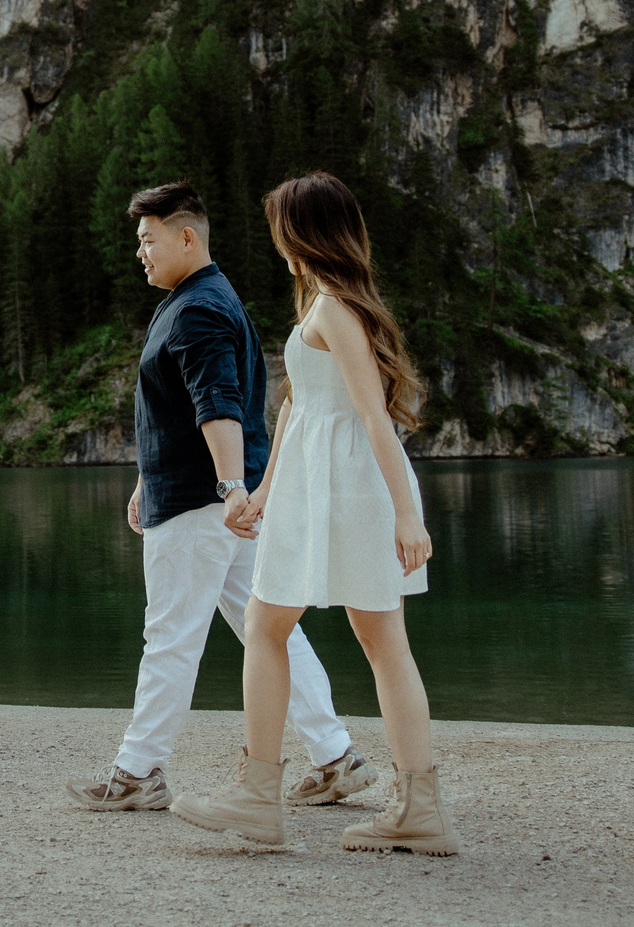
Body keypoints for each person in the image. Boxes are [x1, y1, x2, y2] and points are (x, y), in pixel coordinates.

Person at [68, 182, 376, 813]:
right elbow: (180, 409)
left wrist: (232, 488)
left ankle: (138, 772)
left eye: (149, 240)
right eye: (137, 243)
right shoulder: (198, 299)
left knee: (172, 635)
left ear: (188, 237)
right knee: (270, 630)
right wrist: (146, 481)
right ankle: (335, 756)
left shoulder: (199, 309)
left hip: (203, 503)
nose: (141, 253)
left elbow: (219, 408)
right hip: (206, 497)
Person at [170, 170, 453, 854]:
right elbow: (299, 408)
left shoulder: (333, 310)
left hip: (347, 487)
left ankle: (259, 799)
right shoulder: (330, 302)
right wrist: (263, 494)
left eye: (279, 227)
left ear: (301, 233)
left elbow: (373, 418)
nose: (275, 240)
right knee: (378, 643)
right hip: (326, 485)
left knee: (271, 626)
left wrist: (407, 517)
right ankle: (418, 807)